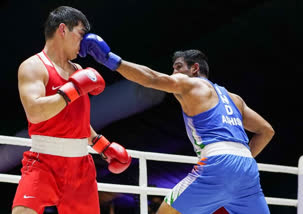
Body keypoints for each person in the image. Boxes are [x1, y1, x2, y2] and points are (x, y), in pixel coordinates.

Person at [78, 33, 275, 214]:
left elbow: (152, 78)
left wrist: (111, 59)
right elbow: (266, 131)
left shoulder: (192, 84)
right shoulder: (234, 98)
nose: (174, 73)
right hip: (247, 170)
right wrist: (240, 159)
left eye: (178, 67)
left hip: (217, 163)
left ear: (195, 68)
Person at [13, 7, 131, 214]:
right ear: (62, 30)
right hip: (44, 161)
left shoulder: (78, 71)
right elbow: (35, 112)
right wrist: (72, 90)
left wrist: (101, 144)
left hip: (80, 165)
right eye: (81, 34)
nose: (85, 44)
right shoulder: (33, 66)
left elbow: (78, 121)